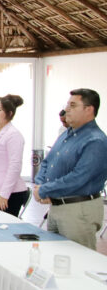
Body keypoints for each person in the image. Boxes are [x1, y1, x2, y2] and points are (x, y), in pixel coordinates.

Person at [34, 88, 107, 250]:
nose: (67, 109)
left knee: (77, 263)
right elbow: (47, 162)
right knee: (55, 258)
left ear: (89, 110)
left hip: (78, 210)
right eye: (67, 104)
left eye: (73, 105)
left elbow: (79, 178)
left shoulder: (96, 141)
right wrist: (39, 185)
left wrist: (45, 189)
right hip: (56, 207)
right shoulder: (67, 134)